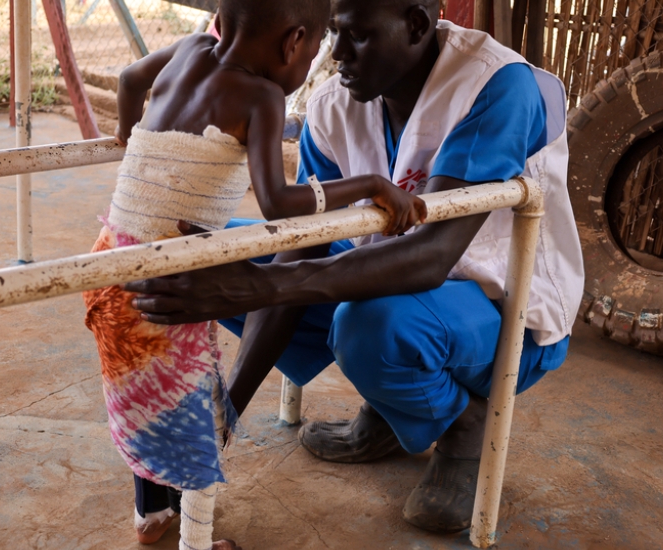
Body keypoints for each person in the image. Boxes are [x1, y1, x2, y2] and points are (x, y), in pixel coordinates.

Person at [124, 0, 585, 536]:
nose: (335, 54)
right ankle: (398, 408)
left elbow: (433, 255)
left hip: (501, 312)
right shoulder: (336, 100)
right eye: (332, 33)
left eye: (357, 37)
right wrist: (222, 420)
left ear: (416, 25)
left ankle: (465, 424)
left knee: (371, 326)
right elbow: (301, 245)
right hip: (393, 283)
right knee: (206, 257)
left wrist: (257, 287)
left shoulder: (495, 86)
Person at [82, 1, 426, 548]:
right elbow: (278, 202)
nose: (316, 62)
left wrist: (129, 134)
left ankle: (151, 516)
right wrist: (371, 186)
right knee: (195, 413)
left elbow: (128, 79)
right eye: (315, 52)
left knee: (143, 395)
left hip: (110, 260)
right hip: (172, 273)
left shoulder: (190, 49)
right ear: (292, 43)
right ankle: (197, 541)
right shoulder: (261, 97)